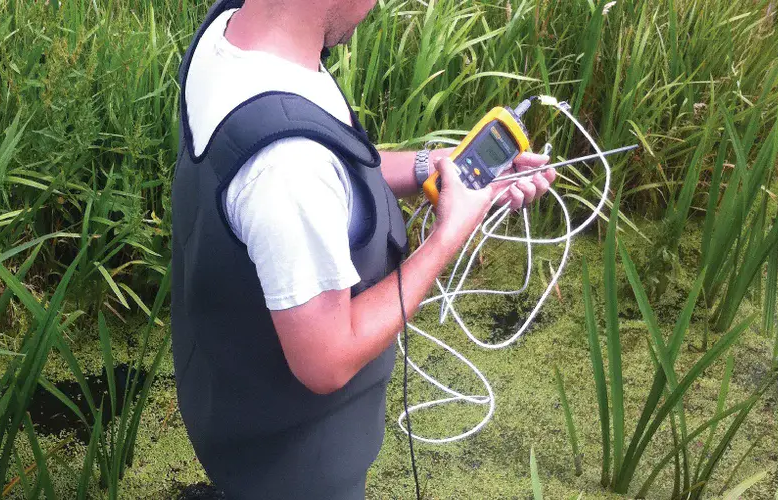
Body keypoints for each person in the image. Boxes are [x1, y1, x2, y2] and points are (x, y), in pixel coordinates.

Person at [167, 0, 555, 497]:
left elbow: (332, 180)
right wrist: (449, 234)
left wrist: (431, 167)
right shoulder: (288, 169)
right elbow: (325, 360)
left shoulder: (232, 31)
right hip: (296, 471)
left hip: (230, 411)